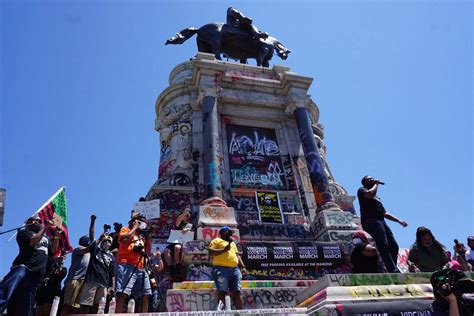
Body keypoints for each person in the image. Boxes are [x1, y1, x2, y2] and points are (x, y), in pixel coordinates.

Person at [0, 217, 58, 316]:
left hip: (36, 272)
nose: (35, 222)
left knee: (26, 302)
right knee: (8, 289)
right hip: (23, 267)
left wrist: (57, 235)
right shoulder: (24, 233)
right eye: (31, 221)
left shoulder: (47, 238)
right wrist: (44, 227)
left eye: (38, 221)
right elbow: (33, 241)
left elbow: (53, 250)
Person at [357, 175, 408, 273]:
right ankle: (392, 270)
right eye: (370, 179)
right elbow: (370, 194)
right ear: (365, 182)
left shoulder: (376, 197)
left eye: (373, 179)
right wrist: (376, 184)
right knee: (383, 244)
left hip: (381, 220)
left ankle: (391, 267)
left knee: (393, 245)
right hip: (370, 220)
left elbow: (384, 213)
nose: (372, 180)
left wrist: (399, 220)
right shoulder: (362, 190)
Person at [78, 215, 116, 314]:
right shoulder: (96, 250)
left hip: (104, 283)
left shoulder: (112, 257)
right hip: (91, 280)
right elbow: (91, 236)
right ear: (102, 242)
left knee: (99, 308)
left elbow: (113, 274)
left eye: (109, 241)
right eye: (106, 241)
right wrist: (93, 222)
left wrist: (112, 287)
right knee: (85, 305)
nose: (107, 243)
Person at [115, 213, 152, 313]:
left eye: (143, 222)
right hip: (127, 265)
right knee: (123, 293)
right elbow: (123, 239)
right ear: (134, 221)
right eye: (140, 221)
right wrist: (134, 228)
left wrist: (148, 236)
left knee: (146, 294)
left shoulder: (142, 236)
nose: (143, 223)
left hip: (141, 267)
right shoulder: (126, 229)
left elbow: (147, 251)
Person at [61, 217, 95, 315]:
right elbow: (88, 248)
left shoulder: (90, 252)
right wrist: (92, 223)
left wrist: (92, 223)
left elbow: (92, 243)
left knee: (77, 307)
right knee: (68, 304)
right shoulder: (78, 249)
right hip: (75, 279)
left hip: (84, 281)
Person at [208, 226, 246, 310]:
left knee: (237, 291)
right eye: (228, 233)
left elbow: (237, 256)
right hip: (221, 269)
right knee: (222, 291)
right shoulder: (217, 240)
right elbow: (211, 252)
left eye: (231, 233)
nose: (230, 235)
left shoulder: (232, 243)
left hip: (235, 269)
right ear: (223, 233)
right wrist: (224, 250)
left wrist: (242, 267)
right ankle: (223, 312)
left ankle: (240, 313)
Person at [163, 207, 192, 279]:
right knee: (166, 251)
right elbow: (177, 222)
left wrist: (187, 229)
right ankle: (171, 268)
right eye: (185, 215)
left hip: (183, 243)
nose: (186, 216)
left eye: (187, 215)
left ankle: (178, 266)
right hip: (174, 241)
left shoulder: (190, 224)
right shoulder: (179, 222)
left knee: (177, 247)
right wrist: (184, 213)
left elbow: (190, 229)